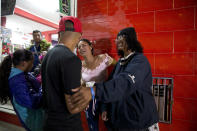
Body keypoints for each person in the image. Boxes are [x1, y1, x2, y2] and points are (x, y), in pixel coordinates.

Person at [68, 27, 159, 131]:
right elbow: (111, 82)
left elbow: (124, 82)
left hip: (141, 122)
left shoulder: (139, 61)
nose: (118, 40)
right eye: (117, 38)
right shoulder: (120, 63)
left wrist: (94, 90)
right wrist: (105, 108)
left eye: (122, 37)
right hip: (122, 120)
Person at [41, 16, 83, 131]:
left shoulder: (48, 55)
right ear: (80, 36)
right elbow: (73, 107)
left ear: (59, 34)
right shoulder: (71, 59)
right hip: (66, 125)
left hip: (48, 121)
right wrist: (92, 93)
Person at [0, 49, 44, 131]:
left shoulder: (22, 74)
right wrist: (44, 92)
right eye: (31, 63)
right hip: (31, 119)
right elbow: (30, 102)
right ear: (24, 63)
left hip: (33, 117)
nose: (32, 65)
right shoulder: (17, 81)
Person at [78, 38, 116, 131]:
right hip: (90, 99)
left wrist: (112, 83)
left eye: (84, 45)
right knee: (92, 127)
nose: (81, 48)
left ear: (90, 47)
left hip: (105, 97)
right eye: (79, 47)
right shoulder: (80, 65)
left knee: (110, 124)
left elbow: (118, 67)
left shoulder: (103, 58)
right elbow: (81, 85)